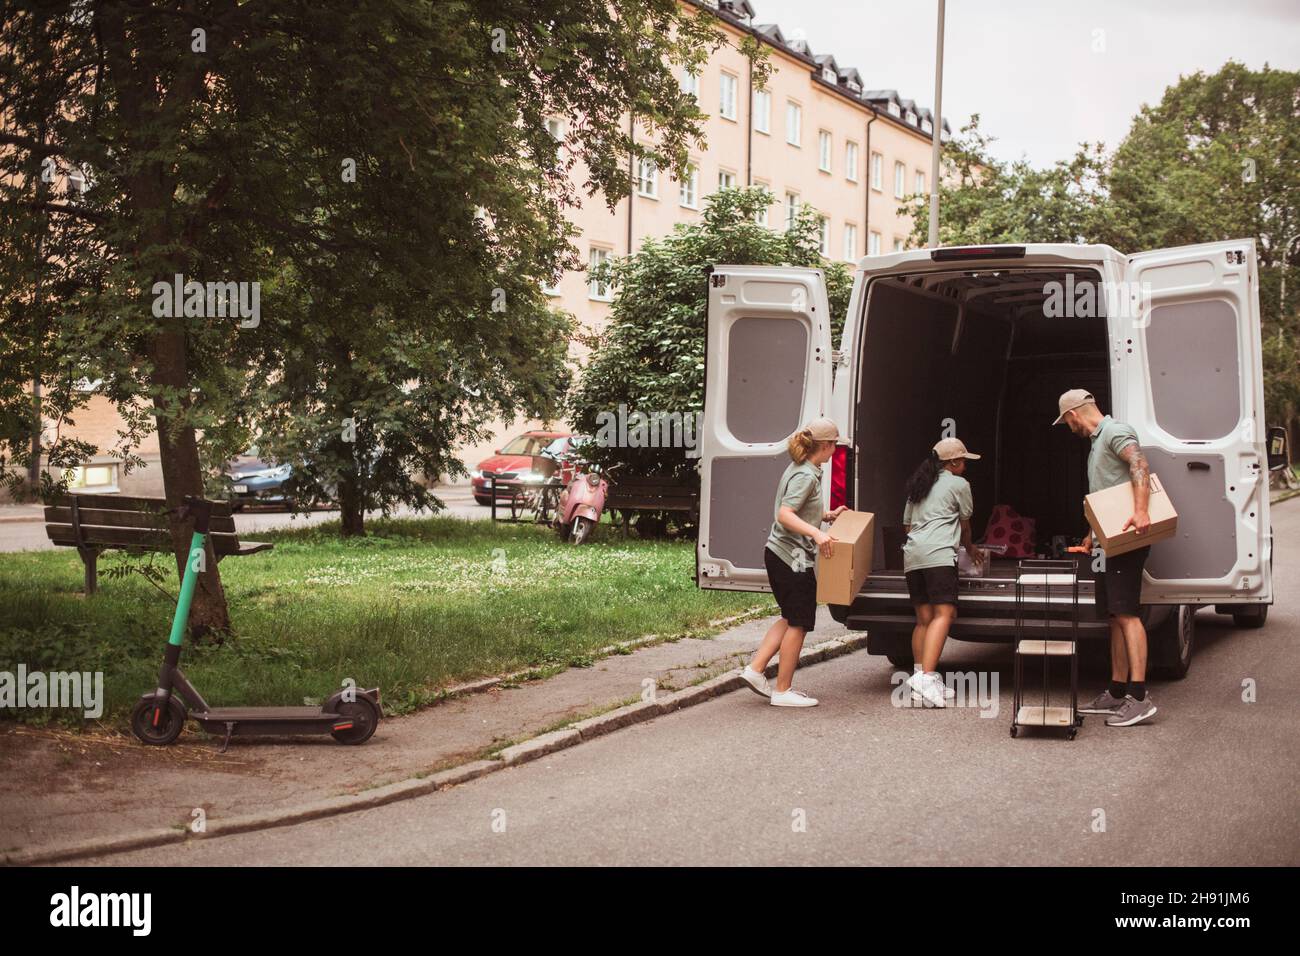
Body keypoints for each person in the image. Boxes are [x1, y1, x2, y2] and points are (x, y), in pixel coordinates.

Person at [1053, 389, 1158, 727]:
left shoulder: (1115, 432)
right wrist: (1090, 536)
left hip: (1128, 536)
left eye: (1067, 423)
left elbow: (1139, 464)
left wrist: (1141, 511)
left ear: (1072, 415)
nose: (1070, 430)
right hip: (1106, 539)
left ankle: (1139, 698)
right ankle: (1115, 691)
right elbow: (1106, 494)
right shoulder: (1098, 441)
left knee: (1127, 614)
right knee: (1115, 616)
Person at [742, 417, 846, 707]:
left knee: (790, 617)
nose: (836, 450)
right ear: (825, 446)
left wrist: (826, 516)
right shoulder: (805, 475)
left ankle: (755, 669)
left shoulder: (802, 469)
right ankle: (783, 690)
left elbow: (799, 509)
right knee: (799, 622)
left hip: (780, 553)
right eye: (835, 445)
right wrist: (817, 533)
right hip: (792, 557)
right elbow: (785, 514)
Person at [900, 437, 983, 708]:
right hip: (938, 555)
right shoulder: (959, 485)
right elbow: (966, 524)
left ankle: (921, 677)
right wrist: (970, 549)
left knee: (924, 619)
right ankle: (925, 678)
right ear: (954, 462)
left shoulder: (919, 485)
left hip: (913, 555)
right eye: (964, 462)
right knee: (944, 615)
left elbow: (908, 527)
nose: (966, 468)